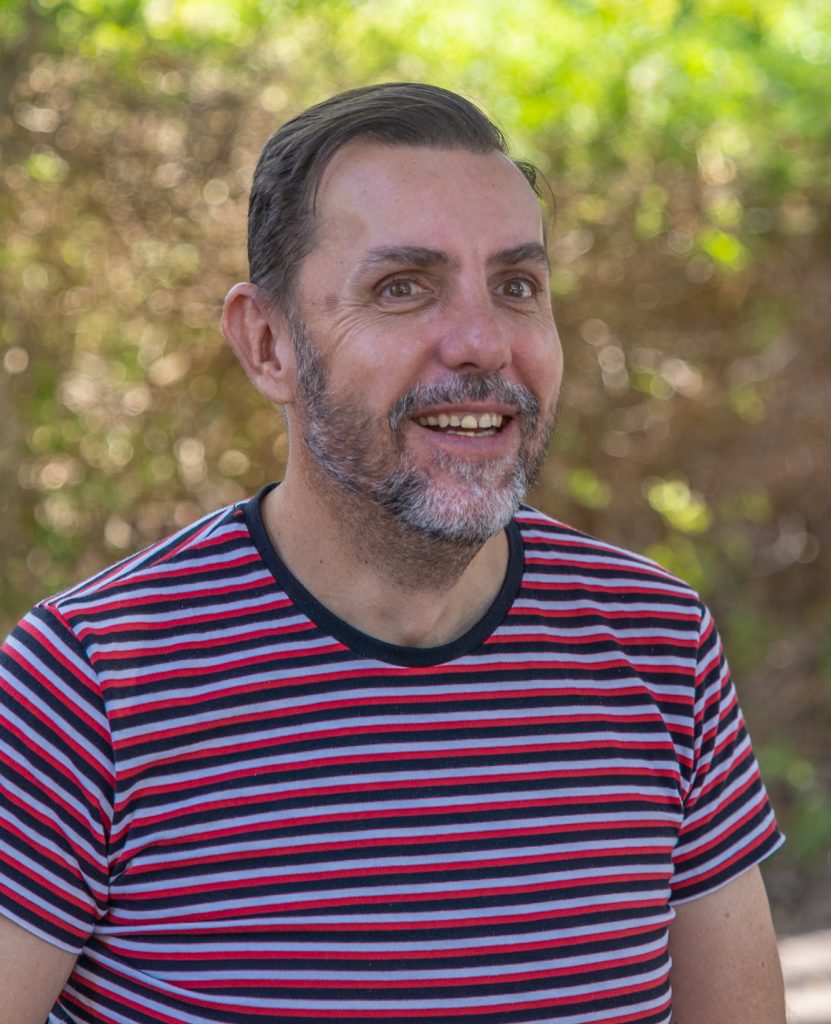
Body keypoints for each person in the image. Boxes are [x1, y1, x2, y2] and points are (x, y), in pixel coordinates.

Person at [0, 83, 786, 1024]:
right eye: (402, 288)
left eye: (516, 287)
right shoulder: (90, 684)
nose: (482, 341)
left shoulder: (658, 648)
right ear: (266, 344)